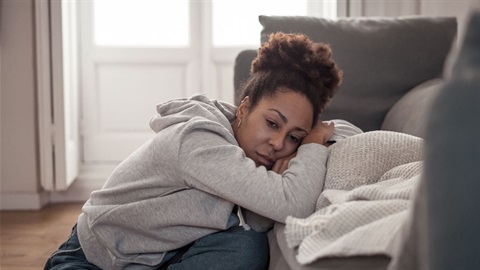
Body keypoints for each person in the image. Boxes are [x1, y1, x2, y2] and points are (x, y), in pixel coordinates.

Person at [44, 32, 343, 270]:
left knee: (246, 246)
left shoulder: (250, 151)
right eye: (272, 123)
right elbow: (293, 205)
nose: (279, 143)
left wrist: (292, 161)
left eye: (294, 137)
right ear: (244, 108)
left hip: (161, 256)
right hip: (95, 257)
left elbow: (259, 221)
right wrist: (312, 145)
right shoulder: (198, 140)